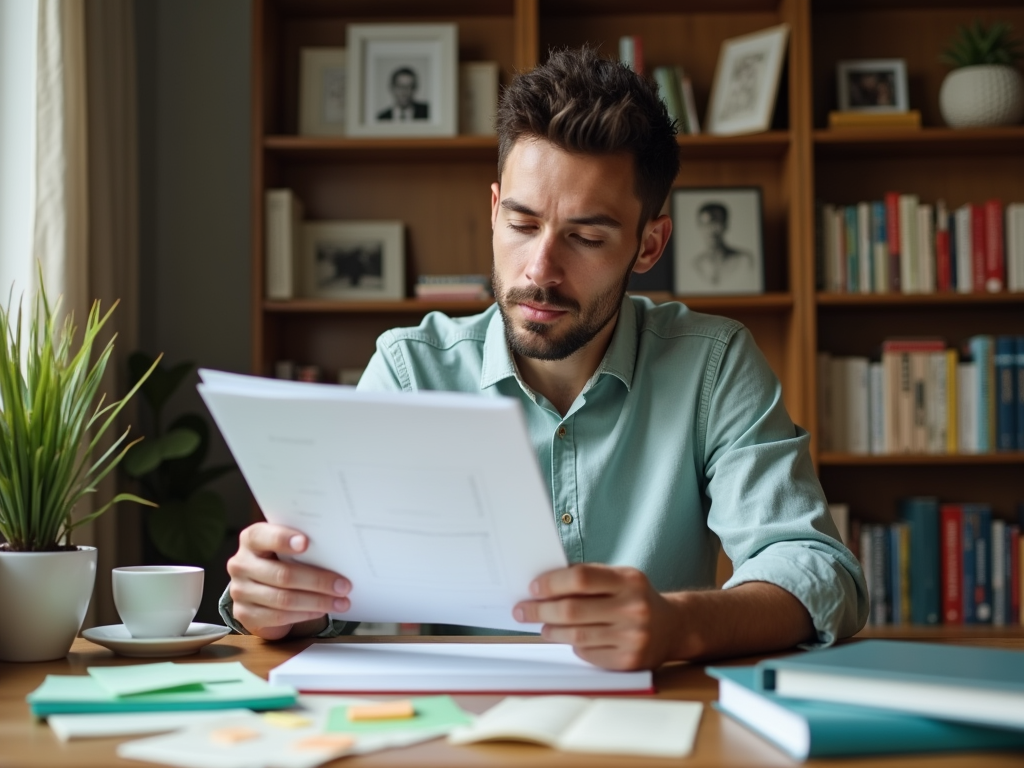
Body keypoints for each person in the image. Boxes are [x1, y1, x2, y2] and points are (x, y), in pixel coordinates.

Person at [222, 47, 867, 671]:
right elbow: (326, 587)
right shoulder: (409, 371)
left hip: (654, 720)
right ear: (495, 209)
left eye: (586, 237)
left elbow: (818, 570)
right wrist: (283, 601)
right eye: (524, 225)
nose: (540, 271)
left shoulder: (714, 365)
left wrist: (678, 625)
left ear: (650, 244)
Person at [692, 202, 755, 286]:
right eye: (707, 224)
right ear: (699, 226)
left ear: (726, 225)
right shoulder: (696, 265)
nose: (712, 230)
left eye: (716, 223)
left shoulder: (744, 261)